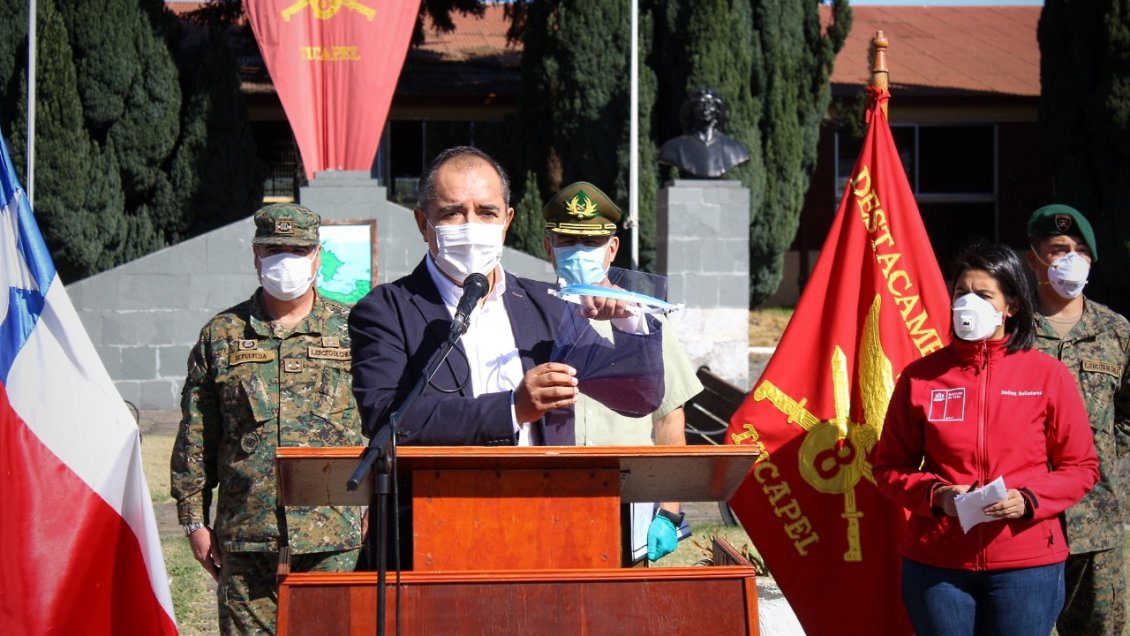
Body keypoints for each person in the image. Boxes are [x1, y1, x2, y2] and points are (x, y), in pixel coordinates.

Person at [349, 146, 661, 446]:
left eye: (486, 212)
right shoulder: (386, 310)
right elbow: (383, 417)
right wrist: (511, 409)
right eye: (452, 213)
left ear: (507, 221)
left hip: (545, 495)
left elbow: (637, 396)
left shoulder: (550, 305)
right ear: (422, 223)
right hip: (439, 496)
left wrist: (629, 322)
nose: (471, 226)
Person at [872, 241, 1099, 636]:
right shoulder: (922, 376)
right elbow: (889, 466)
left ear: (1010, 305)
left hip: (1026, 566)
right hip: (938, 567)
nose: (967, 303)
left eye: (982, 294)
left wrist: (1028, 499)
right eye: (961, 292)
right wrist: (937, 496)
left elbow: (1080, 467)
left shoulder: (1047, 375)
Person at [170, 203, 364, 635]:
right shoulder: (221, 334)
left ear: (316, 255)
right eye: (274, 249)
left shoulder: (353, 330)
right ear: (255, 256)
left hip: (333, 531)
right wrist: (193, 520)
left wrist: (375, 504)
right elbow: (197, 433)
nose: (285, 261)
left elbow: (376, 421)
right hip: (245, 532)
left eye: (297, 250)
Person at [541, 181, 703, 562]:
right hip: (547, 498)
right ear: (549, 248)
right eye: (566, 242)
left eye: (592, 242)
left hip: (627, 502)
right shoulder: (532, 314)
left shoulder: (642, 320)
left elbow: (668, 424)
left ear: (612, 249)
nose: (579, 252)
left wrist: (668, 512)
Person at [1023, 204, 1130, 635]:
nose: (1071, 258)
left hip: (1098, 520)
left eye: (1081, 250)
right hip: (1025, 518)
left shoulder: (1116, 330)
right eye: (1059, 248)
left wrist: (1098, 452)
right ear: (1034, 258)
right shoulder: (1011, 330)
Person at [658, 87, 750, 179]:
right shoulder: (673, 147)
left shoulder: (735, 148)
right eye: (700, 104)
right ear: (691, 110)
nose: (706, 108)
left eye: (710, 104)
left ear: (717, 109)